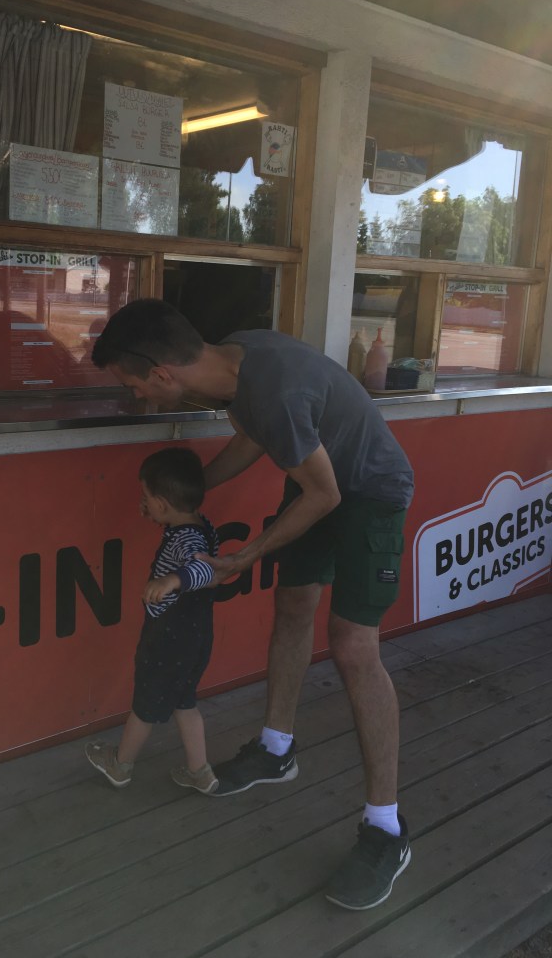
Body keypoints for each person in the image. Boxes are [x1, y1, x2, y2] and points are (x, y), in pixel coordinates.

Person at [91, 299, 415, 911]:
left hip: (370, 491)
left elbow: (324, 493)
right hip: (320, 483)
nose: (137, 398)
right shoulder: (237, 357)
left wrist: (248, 554)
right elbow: (253, 437)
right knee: (292, 606)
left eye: (134, 386)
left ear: (162, 373)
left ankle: (386, 827)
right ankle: (276, 748)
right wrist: (190, 496)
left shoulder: (276, 391)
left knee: (352, 645)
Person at [85, 446, 221, 796]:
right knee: (184, 702)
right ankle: (200, 771)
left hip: (167, 639)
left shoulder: (186, 540)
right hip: (197, 637)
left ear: (162, 503)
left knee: (145, 706)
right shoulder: (201, 526)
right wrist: (159, 515)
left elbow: (204, 570)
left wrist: (172, 580)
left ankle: (120, 765)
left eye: (146, 497)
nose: (143, 502)